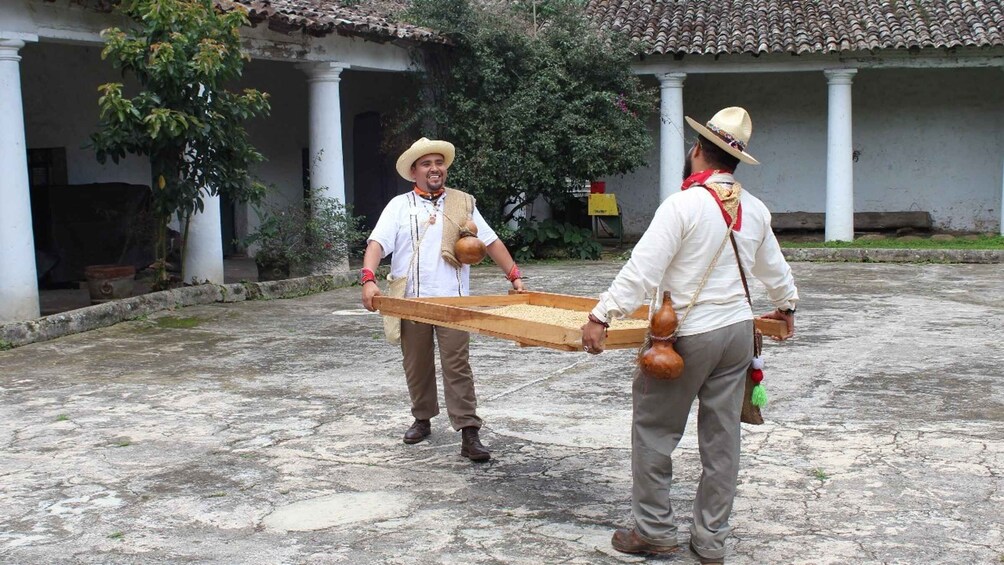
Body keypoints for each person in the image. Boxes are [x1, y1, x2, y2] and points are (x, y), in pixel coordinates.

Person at [580, 107, 799, 563]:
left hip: (686, 335)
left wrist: (602, 315)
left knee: (655, 432)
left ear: (697, 150)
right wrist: (787, 304)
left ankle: (656, 531)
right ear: (734, 162)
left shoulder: (683, 204)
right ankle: (711, 540)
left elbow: (642, 270)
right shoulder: (754, 210)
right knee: (723, 440)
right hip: (738, 333)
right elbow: (773, 270)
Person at [361, 137, 525, 463]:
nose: (435, 168)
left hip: (454, 302)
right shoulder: (398, 205)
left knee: (457, 366)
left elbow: (490, 242)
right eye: (427, 163)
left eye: (439, 163)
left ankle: (468, 431)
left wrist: (515, 276)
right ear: (414, 172)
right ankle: (422, 418)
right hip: (411, 300)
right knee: (416, 364)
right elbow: (377, 243)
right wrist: (368, 279)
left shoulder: (463, 204)